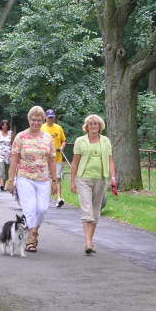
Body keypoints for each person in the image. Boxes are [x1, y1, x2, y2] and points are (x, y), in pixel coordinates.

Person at [6, 106, 58, 252]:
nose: (35, 122)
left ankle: (33, 230)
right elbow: (14, 160)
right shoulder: (20, 137)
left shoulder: (47, 138)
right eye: (33, 120)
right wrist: (11, 180)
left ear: (43, 120)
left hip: (43, 178)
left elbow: (52, 161)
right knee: (30, 208)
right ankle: (31, 237)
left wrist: (54, 181)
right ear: (29, 120)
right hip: (25, 178)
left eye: (39, 120)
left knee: (42, 209)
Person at [70, 114, 116, 255]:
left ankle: (90, 241)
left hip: (101, 179)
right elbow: (75, 162)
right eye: (91, 124)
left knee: (95, 212)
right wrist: (72, 181)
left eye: (96, 123)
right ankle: (88, 243)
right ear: (87, 126)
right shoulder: (80, 141)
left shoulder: (106, 141)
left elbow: (110, 160)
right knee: (87, 211)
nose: (93, 126)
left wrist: (113, 177)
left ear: (100, 126)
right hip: (83, 179)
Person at [41, 109, 67, 207]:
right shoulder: (42, 128)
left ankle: (59, 198)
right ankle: (44, 198)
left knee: (57, 178)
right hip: (45, 158)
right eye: (49, 117)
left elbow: (63, 140)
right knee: (45, 178)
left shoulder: (58, 128)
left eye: (52, 117)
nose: (51, 119)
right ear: (45, 118)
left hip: (57, 158)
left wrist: (61, 147)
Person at [0, 119, 13, 191]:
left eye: (6, 125)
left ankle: (3, 186)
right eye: (3, 125)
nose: (5, 126)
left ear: (8, 126)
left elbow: (13, 144)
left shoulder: (11, 133)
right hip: (0, 153)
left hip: (8, 154)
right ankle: (1, 185)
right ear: (1, 126)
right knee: (1, 169)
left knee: (6, 171)